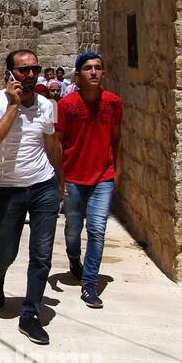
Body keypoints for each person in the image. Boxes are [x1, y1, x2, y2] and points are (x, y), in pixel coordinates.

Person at [0, 49, 63, 345]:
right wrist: (14, 106)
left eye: (34, 69)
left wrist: (60, 181)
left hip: (43, 186)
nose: (30, 75)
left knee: (41, 255)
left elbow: (53, 146)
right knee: (7, 252)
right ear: (10, 74)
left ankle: (30, 314)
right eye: (23, 70)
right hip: (8, 188)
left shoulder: (47, 105)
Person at [55, 51, 123, 309]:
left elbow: (117, 138)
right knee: (73, 228)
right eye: (88, 68)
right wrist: (60, 177)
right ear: (78, 75)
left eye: (97, 67)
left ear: (103, 72)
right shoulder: (67, 105)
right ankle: (74, 257)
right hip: (73, 178)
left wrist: (118, 169)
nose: (93, 72)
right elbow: (58, 143)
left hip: (103, 177)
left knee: (97, 230)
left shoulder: (114, 103)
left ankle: (90, 284)